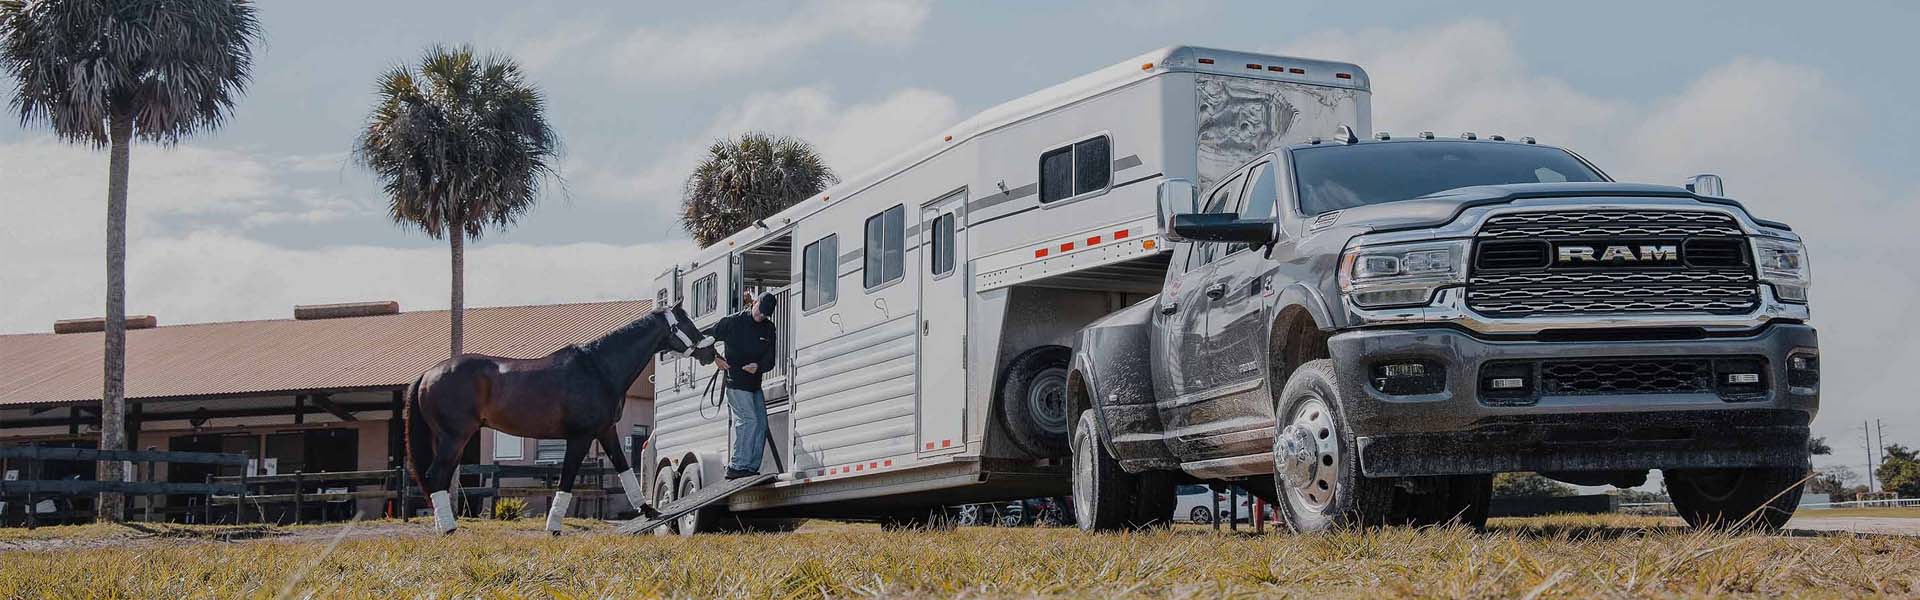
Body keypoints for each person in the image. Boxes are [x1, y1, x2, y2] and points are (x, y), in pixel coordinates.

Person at [704, 292, 779, 479]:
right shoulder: (733, 322)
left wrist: (758, 367)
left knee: (761, 424)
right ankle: (737, 465)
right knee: (748, 420)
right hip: (736, 383)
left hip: (754, 385)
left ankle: (750, 467)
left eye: (765, 314)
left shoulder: (769, 329)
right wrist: (715, 357)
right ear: (755, 302)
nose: (761, 316)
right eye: (760, 311)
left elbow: (770, 360)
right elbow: (705, 338)